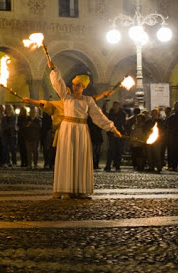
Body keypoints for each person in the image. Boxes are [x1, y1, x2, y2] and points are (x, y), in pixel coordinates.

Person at [47, 60, 122, 199]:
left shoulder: (88, 100)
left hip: (81, 130)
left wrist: (112, 128)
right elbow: (58, 83)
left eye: (79, 85)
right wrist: (54, 69)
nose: (76, 87)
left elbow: (98, 116)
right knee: (66, 157)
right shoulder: (66, 96)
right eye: (75, 84)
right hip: (67, 130)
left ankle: (80, 189)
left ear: (84, 87)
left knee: (80, 159)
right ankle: (64, 188)